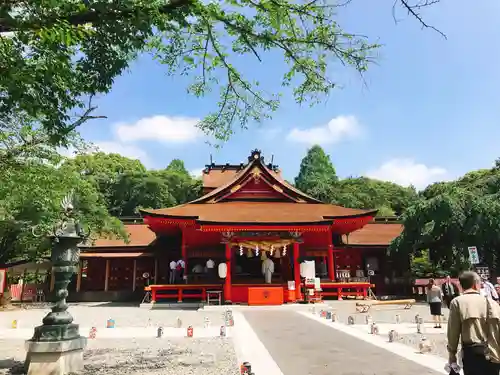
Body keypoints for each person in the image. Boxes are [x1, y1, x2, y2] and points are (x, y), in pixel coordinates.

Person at [447, 271, 500, 375]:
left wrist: (452, 355)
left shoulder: (458, 302)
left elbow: (453, 332)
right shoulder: (493, 304)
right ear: (476, 284)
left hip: (473, 355)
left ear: (461, 286)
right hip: (494, 355)